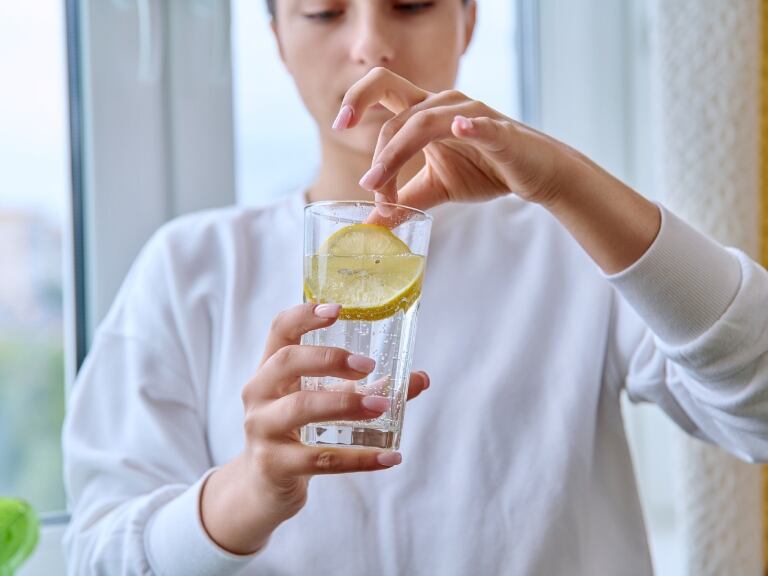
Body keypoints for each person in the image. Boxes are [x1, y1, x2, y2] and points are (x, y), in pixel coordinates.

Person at [63, 0, 768, 574]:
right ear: (277, 35)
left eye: (411, 4)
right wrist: (243, 495)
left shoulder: (571, 244)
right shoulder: (190, 270)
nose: (371, 44)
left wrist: (566, 182)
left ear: (469, 19)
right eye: (322, 12)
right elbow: (97, 557)